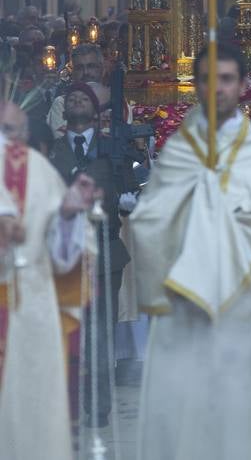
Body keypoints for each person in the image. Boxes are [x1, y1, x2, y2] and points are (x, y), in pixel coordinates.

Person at [131, 42, 251, 460]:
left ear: (243, 85)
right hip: (184, 306)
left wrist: (218, 220)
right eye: (207, 79)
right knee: (183, 419)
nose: (216, 89)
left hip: (239, 308)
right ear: (195, 84)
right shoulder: (180, 152)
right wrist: (199, 220)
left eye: (226, 79)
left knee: (238, 422)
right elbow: (147, 221)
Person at [0, 110, 97, 459]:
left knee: (34, 418)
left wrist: (69, 217)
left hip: (32, 311)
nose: (9, 141)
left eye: (14, 132)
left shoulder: (39, 171)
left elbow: (63, 258)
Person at [50, 82, 136, 427]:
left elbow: (128, 188)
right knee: (67, 330)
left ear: (95, 110)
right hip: (64, 253)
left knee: (101, 331)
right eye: (71, 98)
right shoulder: (53, 152)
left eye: (83, 98)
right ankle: (66, 402)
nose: (76, 102)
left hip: (104, 252)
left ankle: (98, 406)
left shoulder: (111, 150)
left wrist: (129, 202)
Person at [47, 43, 104, 137]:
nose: (86, 72)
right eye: (79, 68)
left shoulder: (115, 103)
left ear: (102, 69)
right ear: (73, 73)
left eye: (91, 66)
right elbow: (64, 141)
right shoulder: (61, 104)